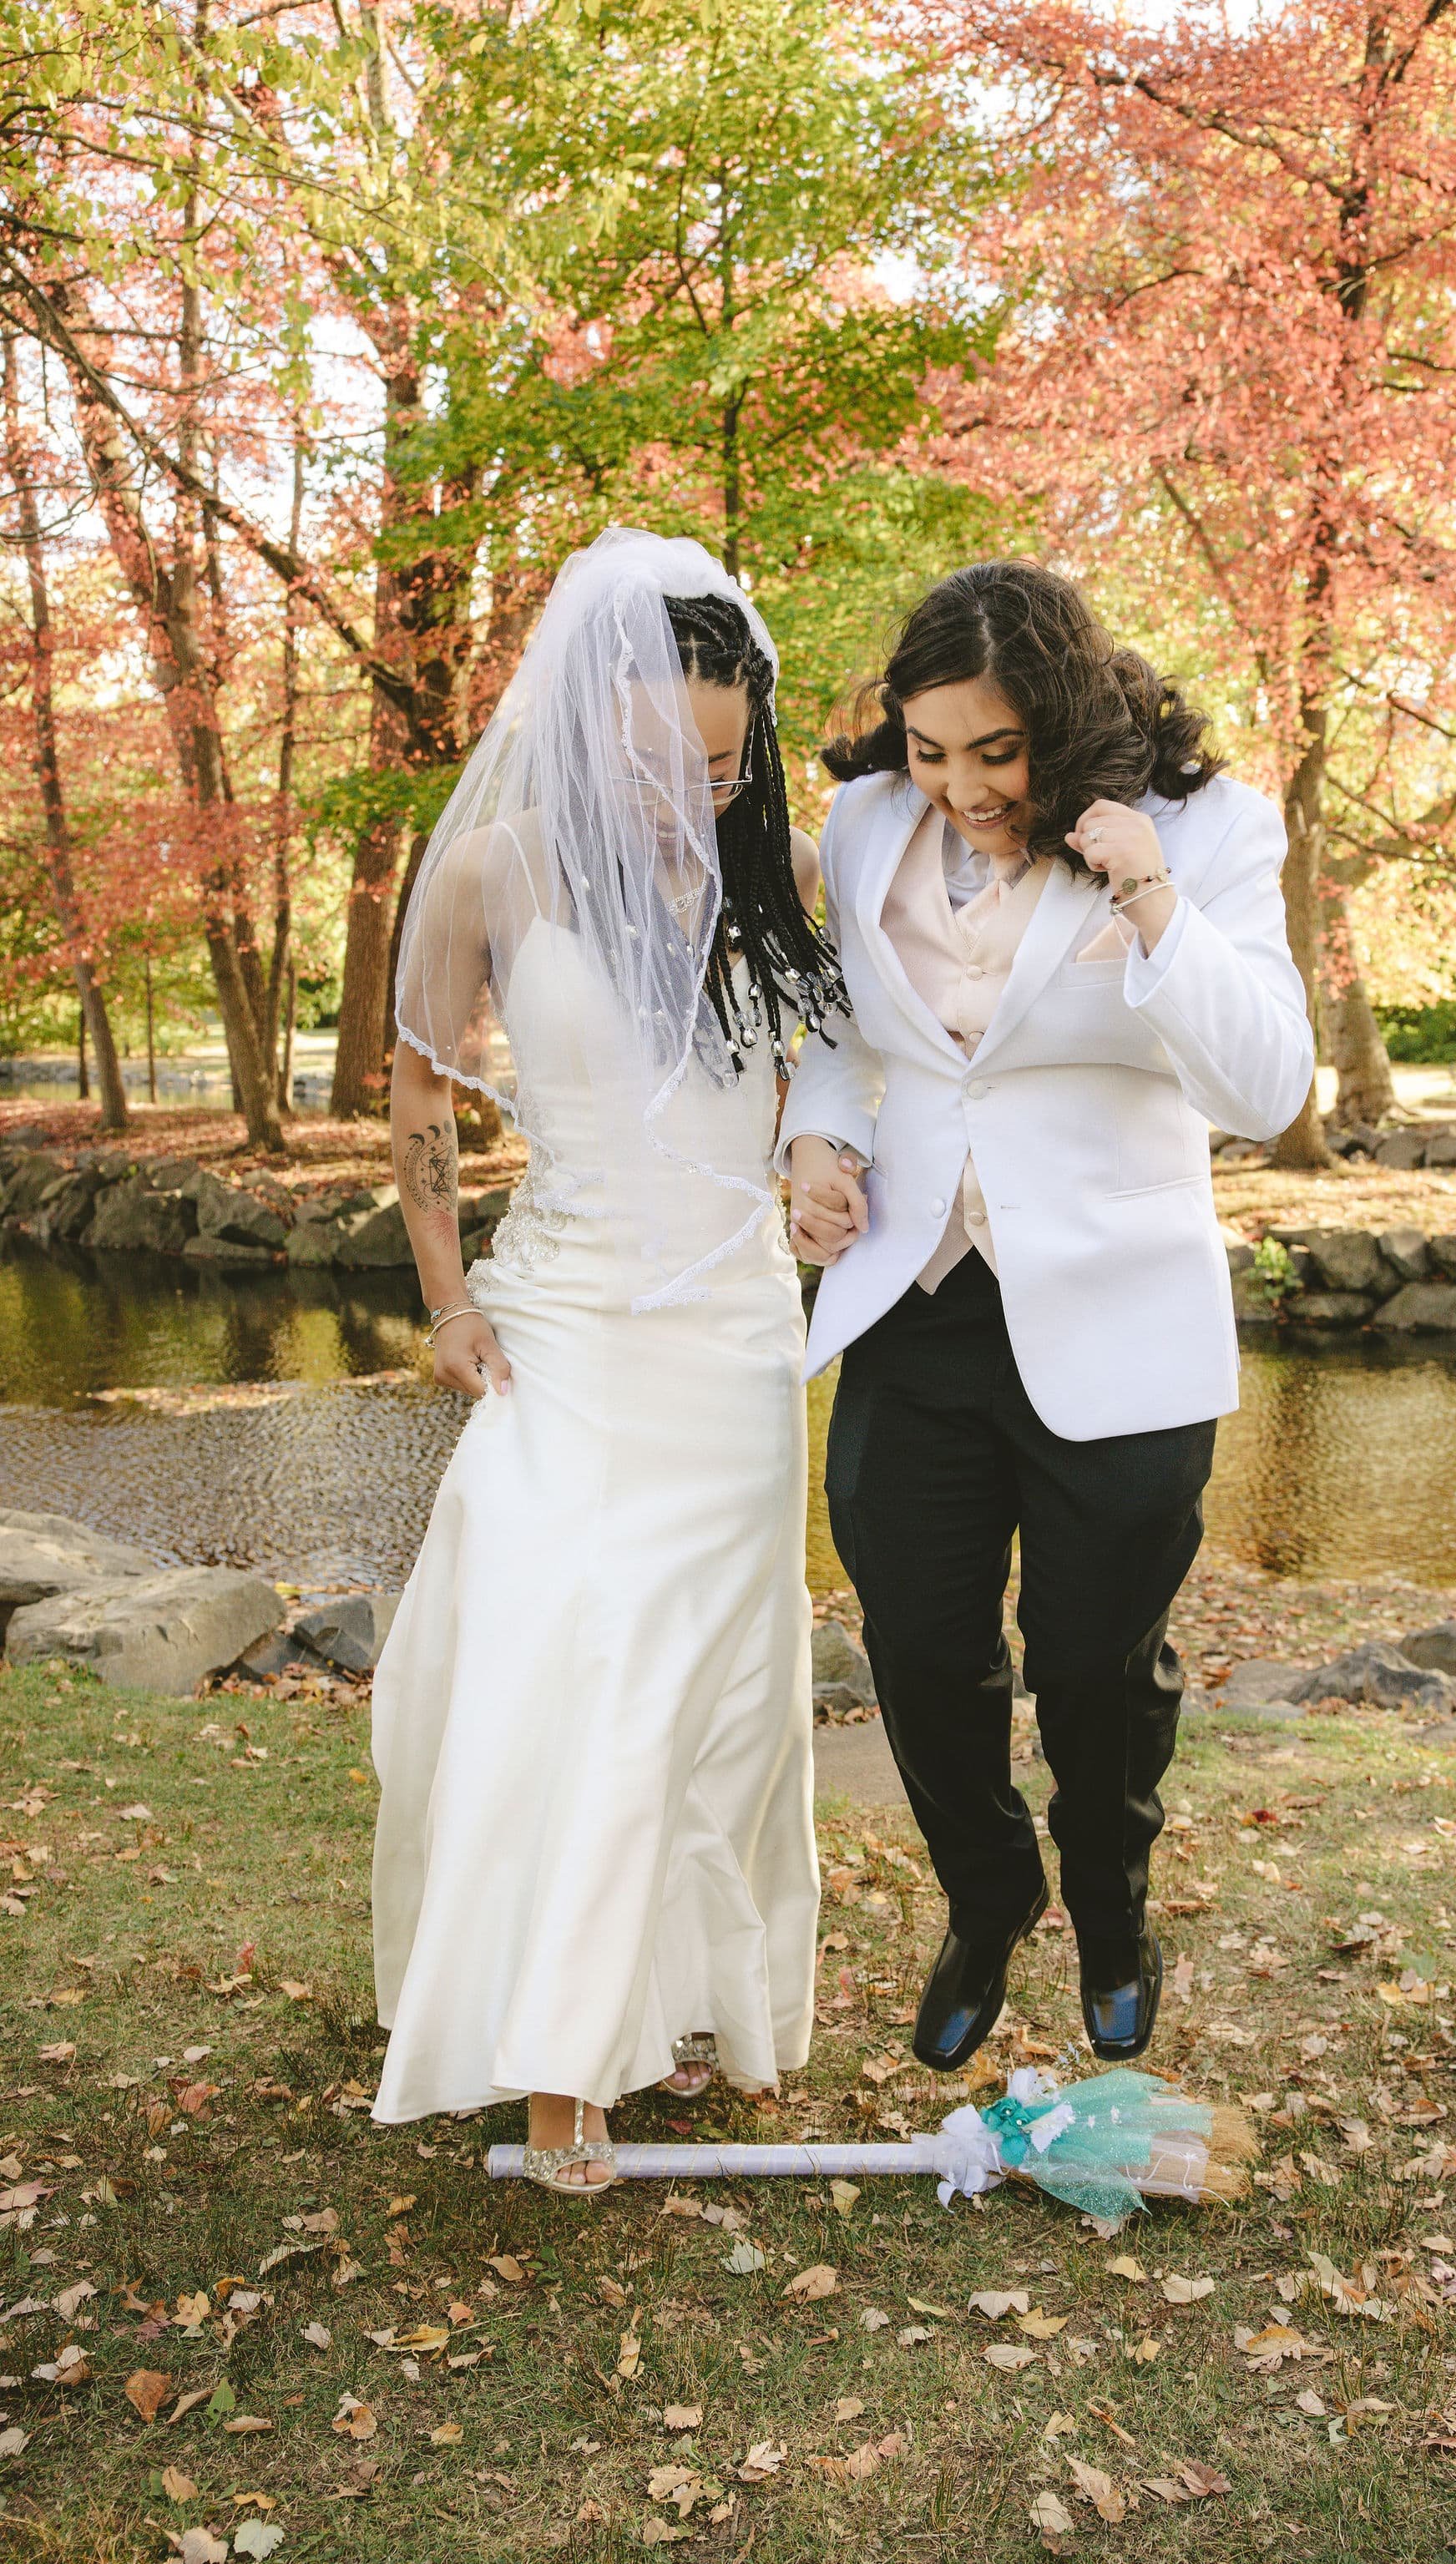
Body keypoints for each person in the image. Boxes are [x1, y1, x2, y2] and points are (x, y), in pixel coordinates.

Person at [781, 559, 1313, 2074]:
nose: (959, 787)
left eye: (995, 753)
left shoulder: (1212, 829)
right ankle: (988, 1895)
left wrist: (1148, 896)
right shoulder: (864, 822)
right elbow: (837, 1037)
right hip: (917, 1303)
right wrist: (815, 1144)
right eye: (931, 749)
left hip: (1121, 1312)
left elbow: (1268, 1090)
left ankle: (1113, 1907)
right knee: (921, 1647)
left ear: (1065, 717)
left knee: (1093, 1664)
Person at [369, 527, 846, 2194]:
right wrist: (447, 1300)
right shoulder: (494, 873)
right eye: (651, 761)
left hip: (729, 1344)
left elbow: (853, 1064)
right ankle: (560, 2054)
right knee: (569, 1650)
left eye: (719, 766)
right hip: (560, 1326)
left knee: (708, 1687)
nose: (685, 797)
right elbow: (421, 1098)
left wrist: (823, 1162)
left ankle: (695, 1992)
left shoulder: (782, 874)